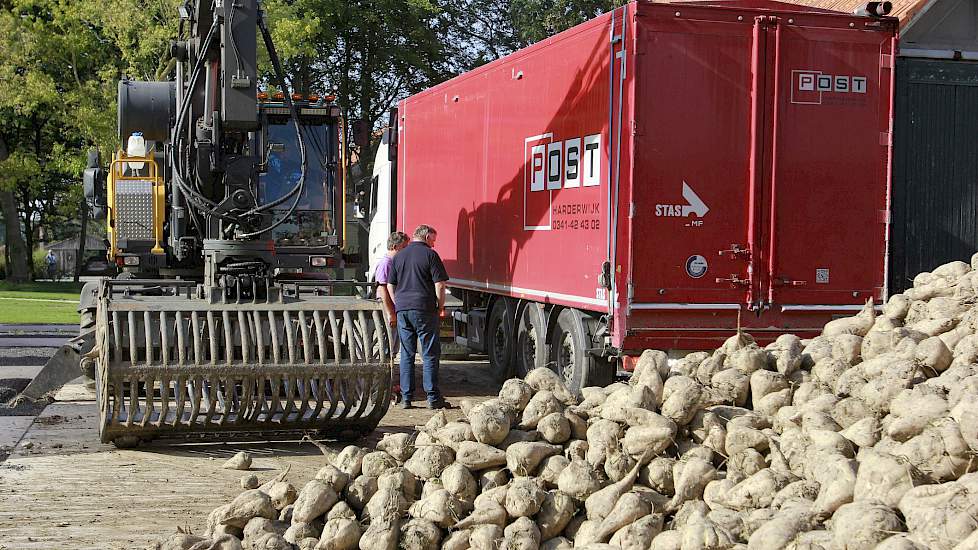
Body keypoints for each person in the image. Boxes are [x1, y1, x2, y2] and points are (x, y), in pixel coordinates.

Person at [387, 224, 451, 409]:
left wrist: (398, 302)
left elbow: (390, 284)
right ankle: (432, 397)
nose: (434, 244)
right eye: (433, 240)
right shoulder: (430, 255)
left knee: (407, 353)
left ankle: (406, 398)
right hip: (424, 309)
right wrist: (440, 306)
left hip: (403, 310)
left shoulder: (399, 256)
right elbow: (439, 284)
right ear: (426, 236)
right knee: (430, 353)